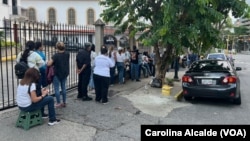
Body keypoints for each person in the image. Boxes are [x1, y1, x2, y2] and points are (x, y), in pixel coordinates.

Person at [16, 40, 46, 116]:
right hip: (34, 77)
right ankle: (41, 113)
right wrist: (35, 66)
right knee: (38, 93)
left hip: (25, 78)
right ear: (33, 47)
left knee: (28, 94)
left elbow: (17, 62)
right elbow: (42, 63)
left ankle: (31, 109)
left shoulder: (21, 54)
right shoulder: (35, 54)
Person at [47, 41, 70, 108]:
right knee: (63, 87)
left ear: (57, 47)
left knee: (57, 88)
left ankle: (58, 102)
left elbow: (49, 64)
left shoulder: (55, 56)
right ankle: (64, 101)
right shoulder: (67, 54)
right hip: (65, 72)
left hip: (57, 73)